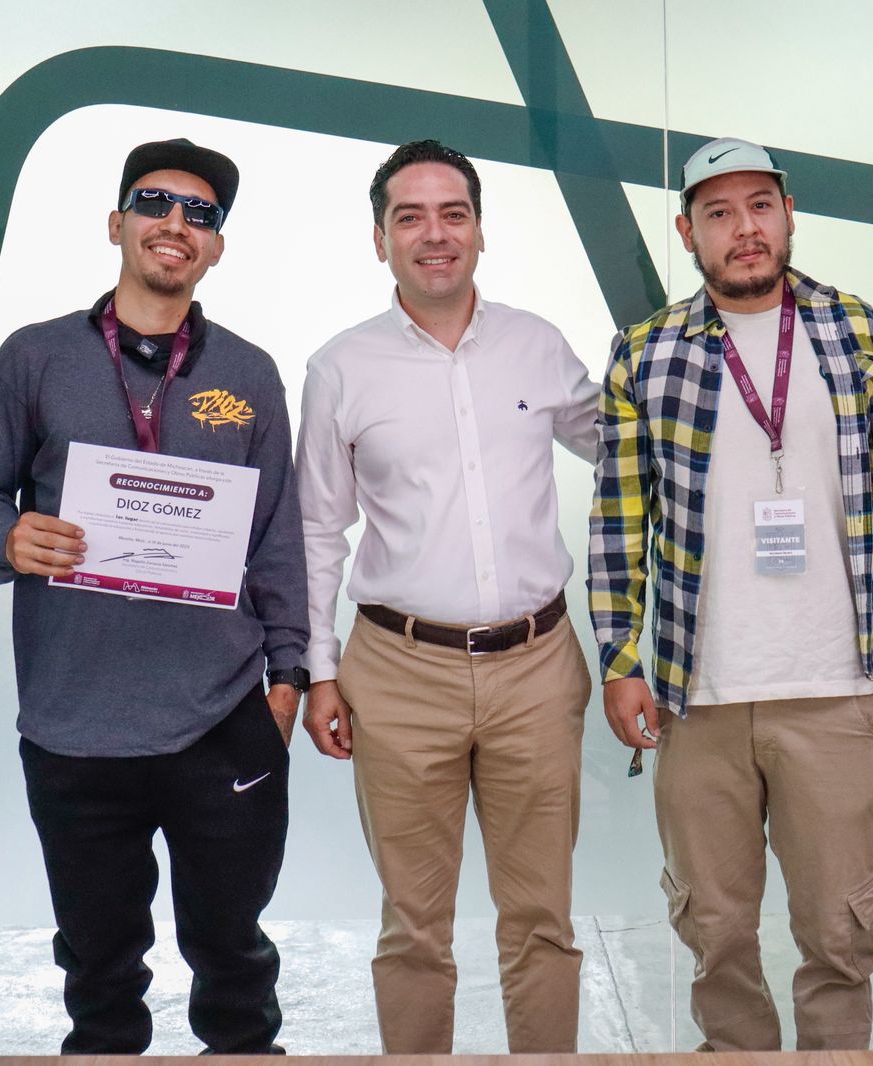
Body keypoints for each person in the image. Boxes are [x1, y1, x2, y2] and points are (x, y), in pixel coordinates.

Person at [0, 138, 308, 1055]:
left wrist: (288, 679)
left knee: (236, 961)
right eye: (155, 202)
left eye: (201, 214)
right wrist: (6, 537)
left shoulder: (250, 374)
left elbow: (278, 535)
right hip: (76, 722)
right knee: (100, 973)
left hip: (221, 714)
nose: (175, 223)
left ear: (216, 247)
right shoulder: (35, 357)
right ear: (117, 224)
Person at [589, 137, 873, 1051]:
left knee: (841, 929)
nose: (743, 228)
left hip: (832, 684)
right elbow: (620, 522)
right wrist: (620, 662)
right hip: (697, 693)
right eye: (718, 212)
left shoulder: (858, 333)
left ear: (788, 215)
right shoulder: (645, 353)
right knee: (714, 930)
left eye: (759, 206)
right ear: (687, 232)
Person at [295, 139, 598, 1054]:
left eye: (453, 214)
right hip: (398, 673)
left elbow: (628, 452)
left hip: (536, 667)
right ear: (380, 238)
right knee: (414, 928)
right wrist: (318, 671)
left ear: (479, 230)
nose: (435, 235)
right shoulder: (340, 369)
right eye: (411, 217)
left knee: (542, 920)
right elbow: (317, 530)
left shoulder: (538, 346)